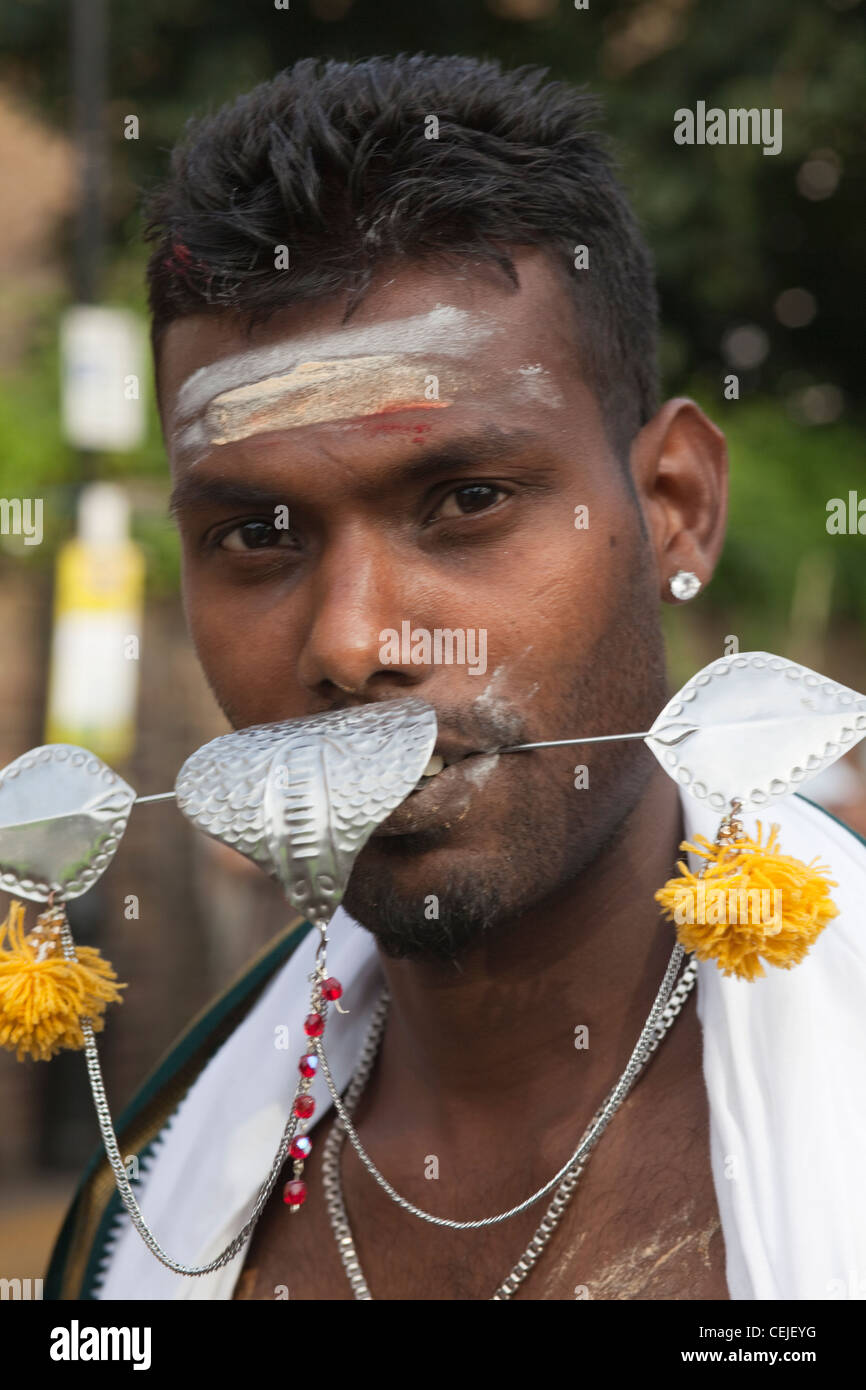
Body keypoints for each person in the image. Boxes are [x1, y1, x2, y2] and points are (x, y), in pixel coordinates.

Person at [45, 53, 866, 1302]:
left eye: (466, 501)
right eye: (257, 534)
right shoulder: (146, 1199)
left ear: (673, 510)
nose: (350, 643)